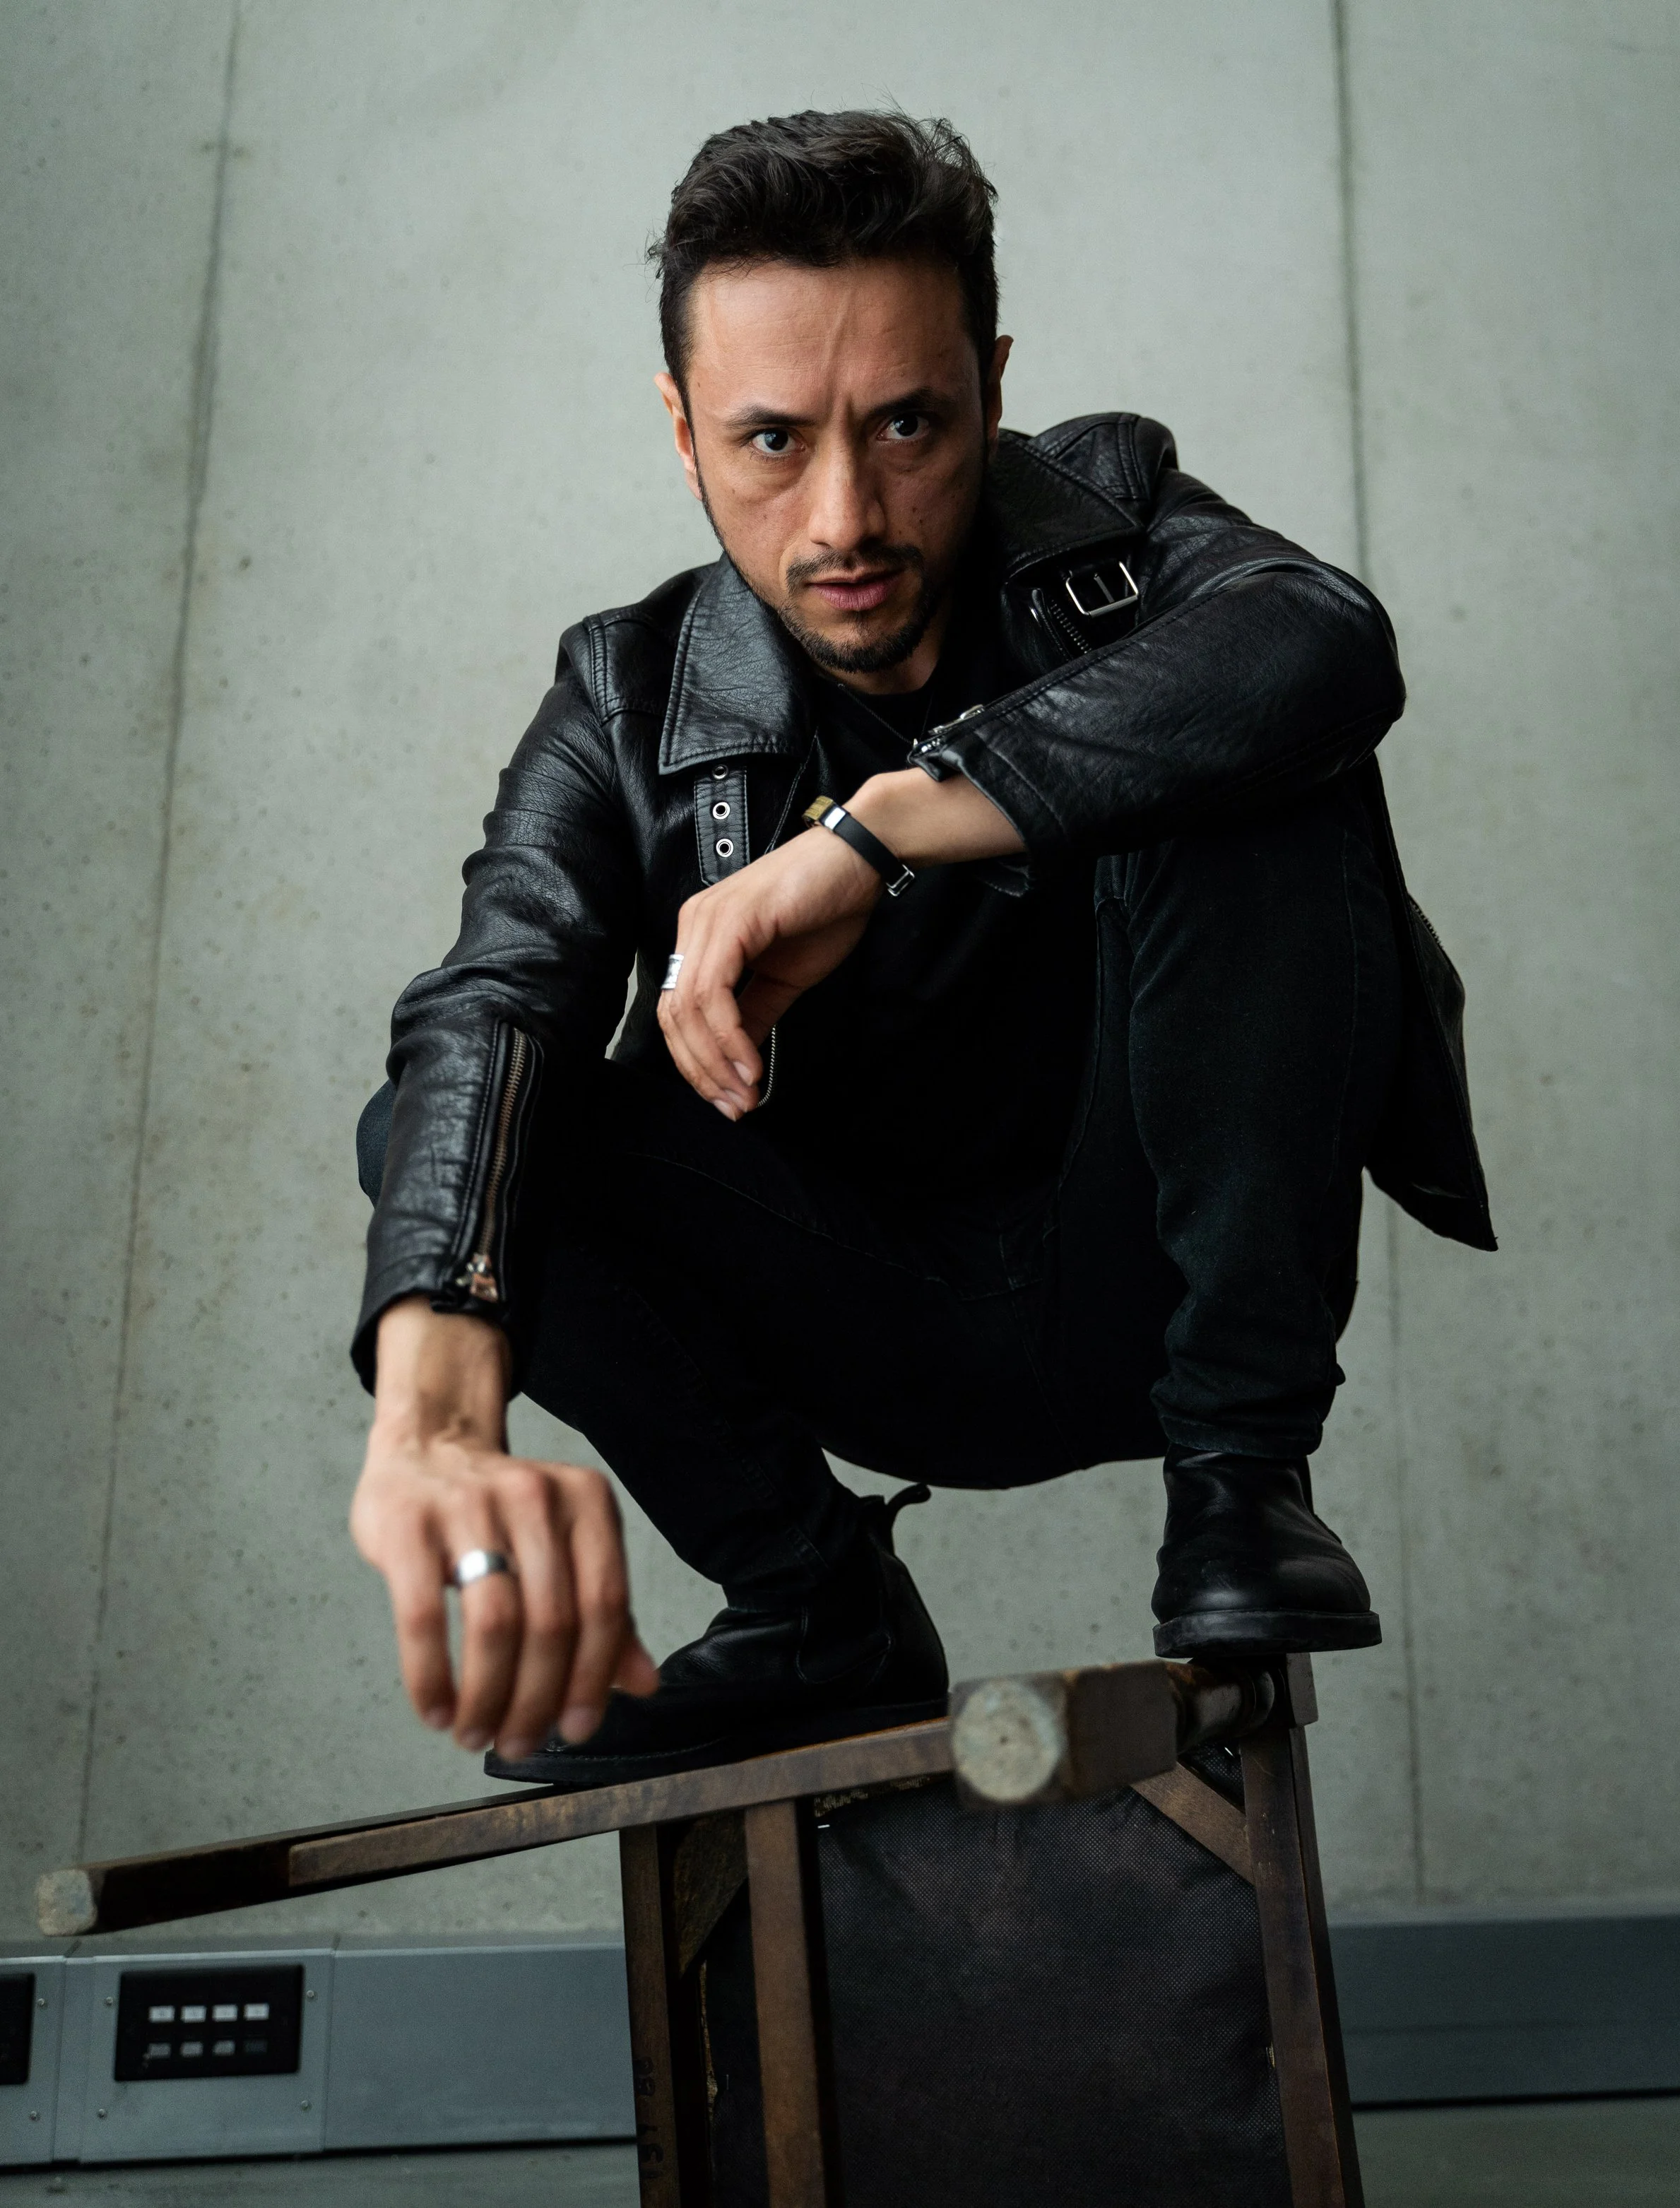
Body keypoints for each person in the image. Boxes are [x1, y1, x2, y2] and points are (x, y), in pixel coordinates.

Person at [347, 110, 1493, 1788]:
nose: (843, 516)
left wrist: (879, 830)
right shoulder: (627, 692)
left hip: (1163, 1275)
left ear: (992, 386)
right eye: (765, 441)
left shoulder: (1111, 529)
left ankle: (1242, 1489)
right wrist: (432, 1421)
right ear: (677, 429)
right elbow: (490, 1001)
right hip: (860, 1305)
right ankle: (816, 1607)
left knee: (1254, 745)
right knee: (446, 1133)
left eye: (905, 426)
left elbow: (1322, 645)